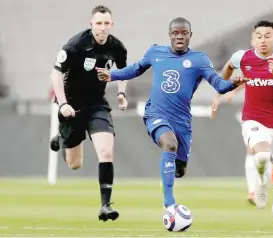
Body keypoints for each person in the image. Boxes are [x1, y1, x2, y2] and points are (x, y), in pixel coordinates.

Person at [96, 17, 245, 210]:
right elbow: (136, 69)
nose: (180, 37)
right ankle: (170, 204)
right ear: (170, 35)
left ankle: (167, 179)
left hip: (182, 121)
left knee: (179, 169)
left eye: (184, 33)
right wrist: (113, 75)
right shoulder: (155, 52)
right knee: (169, 144)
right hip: (156, 113)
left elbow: (219, 85)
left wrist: (234, 83)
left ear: (190, 35)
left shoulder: (199, 59)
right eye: (176, 33)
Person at [210, 20, 273, 229]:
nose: (263, 40)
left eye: (268, 35)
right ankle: (260, 185)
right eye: (259, 36)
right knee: (261, 154)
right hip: (253, 119)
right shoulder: (243, 57)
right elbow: (228, 68)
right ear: (253, 39)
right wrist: (222, 90)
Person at [49, 5, 128, 222]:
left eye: (106, 23)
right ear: (91, 24)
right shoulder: (75, 45)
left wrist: (121, 94)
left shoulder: (118, 48)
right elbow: (55, 76)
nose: (102, 28)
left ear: (112, 25)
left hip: (97, 104)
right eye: (98, 23)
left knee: (106, 151)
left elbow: (122, 73)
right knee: (75, 164)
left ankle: (105, 205)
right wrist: (63, 104)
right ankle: (63, 138)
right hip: (72, 106)